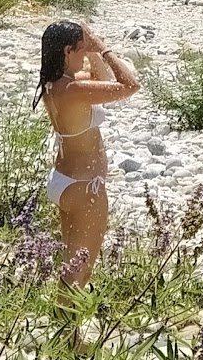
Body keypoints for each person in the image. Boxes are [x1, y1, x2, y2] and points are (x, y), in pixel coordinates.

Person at [35, 21, 140, 286]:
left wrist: (92, 52)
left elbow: (101, 81)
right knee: (80, 272)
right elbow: (129, 85)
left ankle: (67, 326)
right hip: (85, 186)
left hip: (64, 179)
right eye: (81, 49)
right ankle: (67, 325)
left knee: (70, 266)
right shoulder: (74, 90)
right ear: (68, 52)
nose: (85, 53)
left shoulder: (57, 84)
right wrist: (104, 49)